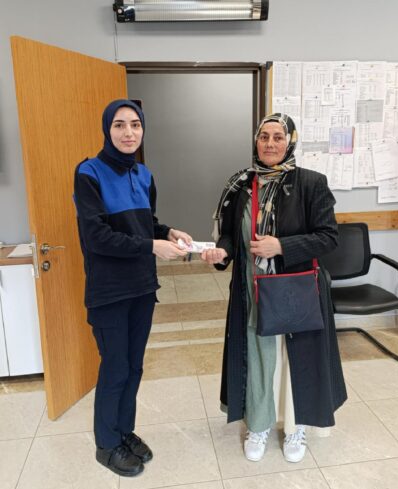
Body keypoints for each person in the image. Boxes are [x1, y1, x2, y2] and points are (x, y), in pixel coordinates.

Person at [201, 113, 347, 463]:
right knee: (259, 355)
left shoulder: (311, 183)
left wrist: (281, 246)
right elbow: (230, 235)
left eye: (278, 137)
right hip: (252, 290)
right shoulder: (241, 184)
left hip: (297, 291)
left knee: (295, 359)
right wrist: (222, 252)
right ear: (256, 141)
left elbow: (329, 237)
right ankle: (260, 423)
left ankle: (296, 427)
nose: (270, 144)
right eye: (264, 137)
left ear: (290, 141)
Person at [74, 99, 192, 477]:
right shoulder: (89, 173)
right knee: (115, 369)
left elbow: (145, 224)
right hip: (109, 292)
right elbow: (97, 237)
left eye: (135, 125)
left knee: (134, 367)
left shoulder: (143, 174)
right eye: (120, 125)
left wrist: (167, 232)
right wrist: (151, 246)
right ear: (107, 129)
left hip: (142, 287)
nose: (128, 133)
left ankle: (124, 432)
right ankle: (107, 444)